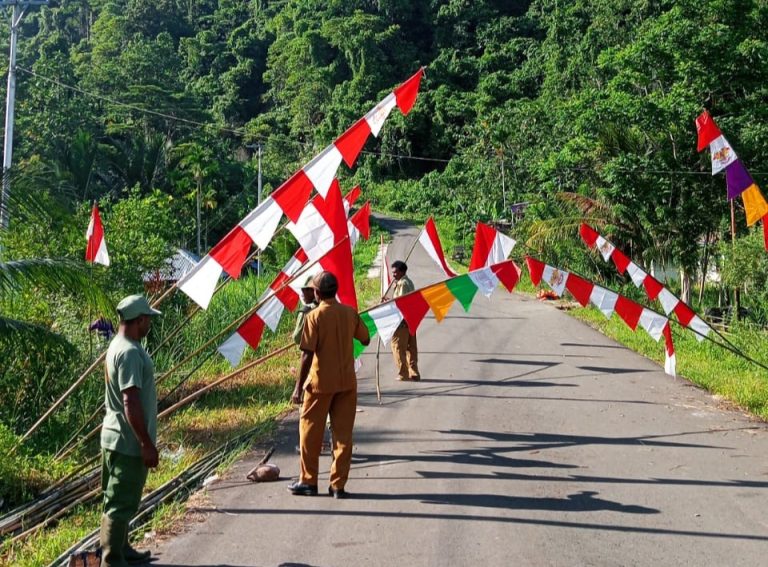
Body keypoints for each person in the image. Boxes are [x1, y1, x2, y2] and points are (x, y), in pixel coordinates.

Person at [288, 271, 370, 498]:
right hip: (346, 383)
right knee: (343, 435)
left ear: (316, 293)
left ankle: (308, 481)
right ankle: (337, 486)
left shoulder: (313, 317)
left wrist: (297, 388)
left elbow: (306, 354)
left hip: (320, 383)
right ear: (335, 290)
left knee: (309, 432)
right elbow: (365, 338)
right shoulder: (349, 313)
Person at [99, 295, 161, 567]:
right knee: (120, 503)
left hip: (113, 435)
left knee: (117, 498)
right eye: (148, 319)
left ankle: (122, 548)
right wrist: (146, 443)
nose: (150, 324)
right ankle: (112, 560)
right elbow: (130, 401)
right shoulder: (130, 353)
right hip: (128, 441)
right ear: (139, 320)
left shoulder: (118, 345)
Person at [292, 276, 331, 454]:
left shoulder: (308, 313)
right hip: (332, 366)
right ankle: (330, 442)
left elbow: (298, 339)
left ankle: (311, 445)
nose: (303, 294)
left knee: (308, 411)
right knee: (330, 410)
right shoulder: (333, 309)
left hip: (313, 368)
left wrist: (297, 387)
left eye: (306, 290)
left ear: (315, 292)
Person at [387, 260, 421, 381]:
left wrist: (387, 303)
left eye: (395, 272)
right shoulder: (408, 282)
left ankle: (403, 373)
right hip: (411, 320)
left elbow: (400, 303)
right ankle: (414, 372)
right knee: (411, 348)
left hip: (402, 322)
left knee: (397, 346)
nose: (393, 275)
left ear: (402, 271)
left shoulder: (403, 284)